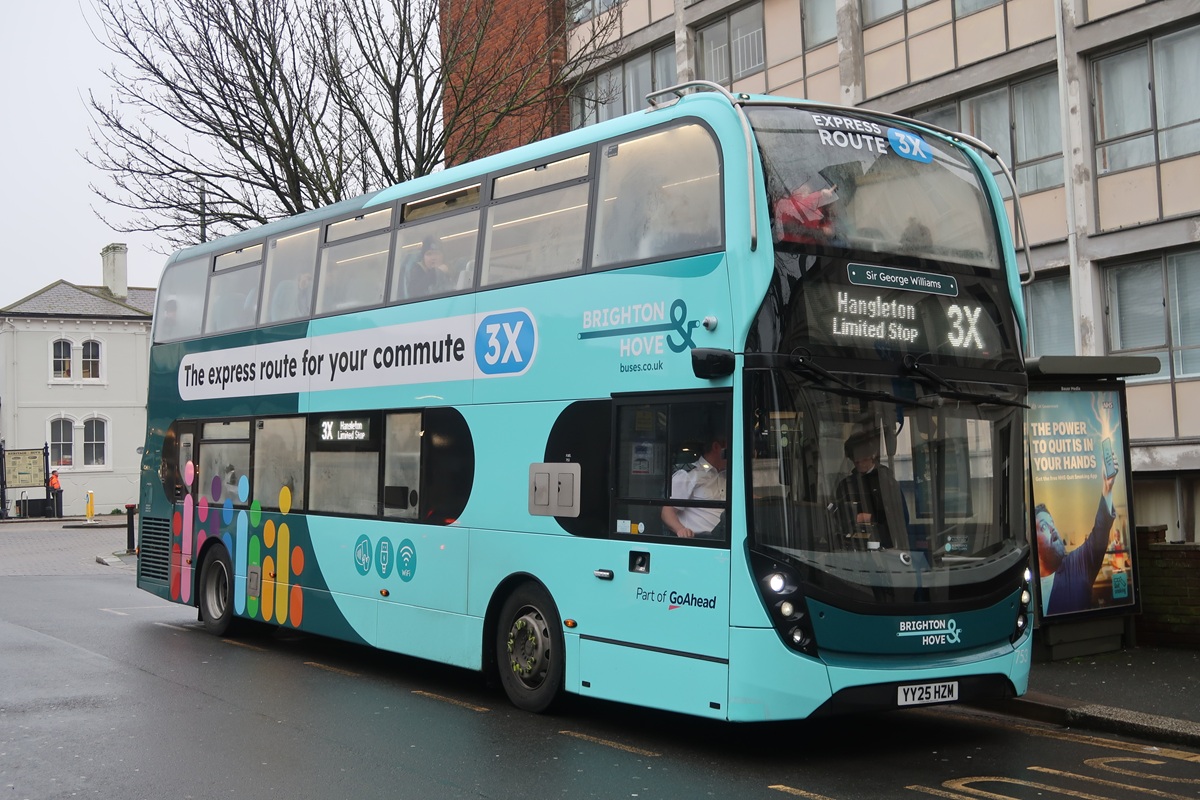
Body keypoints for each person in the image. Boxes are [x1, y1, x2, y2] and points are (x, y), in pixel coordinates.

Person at [1036, 468, 1119, 616]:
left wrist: (1107, 488)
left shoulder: (1077, 565)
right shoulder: (1026, 583)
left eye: (1052, 522)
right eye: (1043, 526)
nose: (1052, 528)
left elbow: (1100, 532)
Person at [834, 431, 907, 549]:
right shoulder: (846, 485)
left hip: (883, 547)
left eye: (861, 458)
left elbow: (900, 519)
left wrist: (870, 518)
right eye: (854, 459)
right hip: (851, 547)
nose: (857, 462)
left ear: (872, 455)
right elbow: (836, 517)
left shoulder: (887, 483)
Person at [661, 438, 727, 538]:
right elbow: (667, 512)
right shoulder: (689, 475)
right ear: (716, 447)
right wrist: (681, 530)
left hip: (730, 538)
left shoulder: (728, 476)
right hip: (703, 540)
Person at [773, 179, 838, 245]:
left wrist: (828, 230)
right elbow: (797, 210)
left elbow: (826, 225)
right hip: (786, 247)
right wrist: (820, 195)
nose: (805, 195)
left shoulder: (818, 209)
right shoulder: (784, 203)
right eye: (803, 191)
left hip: (812, 248)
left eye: (809, 193)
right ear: (794, 190)